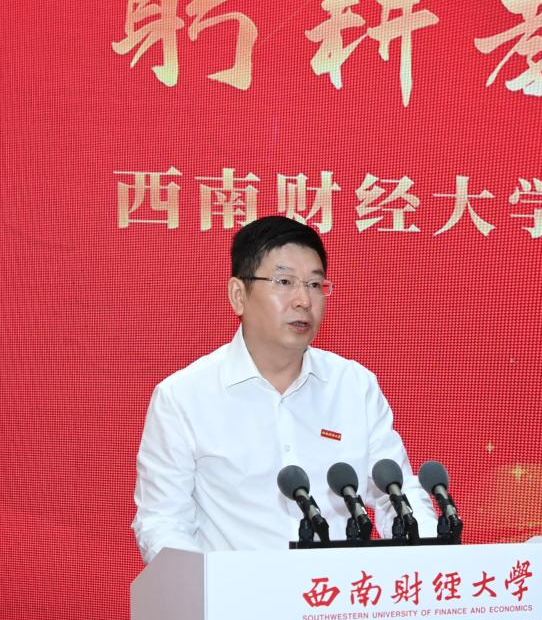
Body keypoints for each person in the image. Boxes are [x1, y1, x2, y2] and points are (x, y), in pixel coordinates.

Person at [132, 215, 437, 560]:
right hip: (235, 592)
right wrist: (204, 588)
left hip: (335, 592)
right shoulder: (183, 398)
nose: (303, 300)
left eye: (315, 284)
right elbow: (163, 522)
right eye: (285, 281)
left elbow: (397, 494)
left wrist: (432, 555)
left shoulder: (354, 386)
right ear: (238, 295)